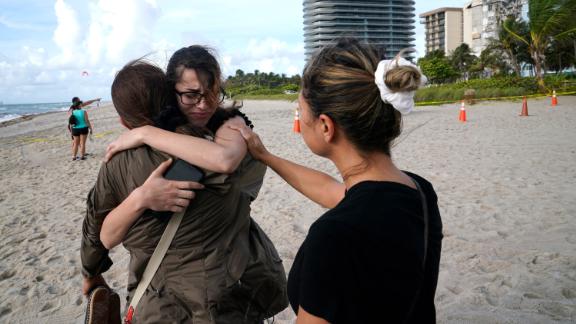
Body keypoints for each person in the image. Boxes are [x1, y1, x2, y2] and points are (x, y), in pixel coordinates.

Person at [230, 38, 443, 323]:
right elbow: (334, 191)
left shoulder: (333, 236)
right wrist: (266, 156)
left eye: (301, 113)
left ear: (326, 126)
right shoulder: (418, 191)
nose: (300, 119)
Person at [81, 52, 287, 323]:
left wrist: (91, 273)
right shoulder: (232, 142)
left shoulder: (116, 164)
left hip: (160, 306)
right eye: (192, 96)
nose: (202, 104)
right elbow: (244, 184)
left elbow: (97, 231)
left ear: (123, 122)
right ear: (172, 97)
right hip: (232, 300)